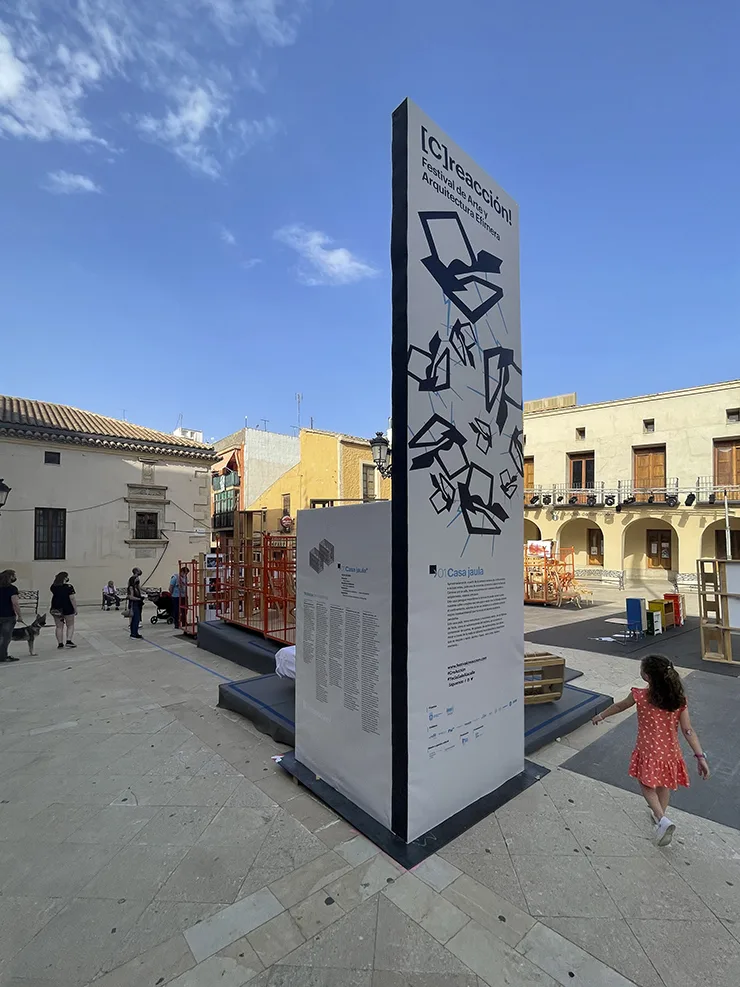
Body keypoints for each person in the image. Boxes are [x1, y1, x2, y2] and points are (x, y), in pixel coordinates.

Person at [593, 654, 709, 846]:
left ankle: (662, 819)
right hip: (671, 753)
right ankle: (660, 818)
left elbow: (620, 706)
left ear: (647, 676)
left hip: (648, 751)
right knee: (663, 784)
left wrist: (602, 715)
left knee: (646, 785)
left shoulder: (640, 695)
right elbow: (688, 730)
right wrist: (700, 756)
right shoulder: (678, 699)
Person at [0, 569, 23, 662]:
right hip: (8, 616)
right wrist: (19, 616)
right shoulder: (12, 589)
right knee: (6, 637)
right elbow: (15, 603)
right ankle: (2, 656)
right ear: (10, 577)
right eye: (14, 576)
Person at [50, 572, 77, 649]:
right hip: (68, 607)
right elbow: (72, 598)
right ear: (65, 578)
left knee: (59, 627)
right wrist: (75, 608)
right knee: (70, 625)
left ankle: (60, 643)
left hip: (56, 608)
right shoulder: (69, 587)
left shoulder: (53, 587)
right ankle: (68, 641)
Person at [127, 567, 144, 639]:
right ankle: (133, 634)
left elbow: (140, 588)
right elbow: (131, 597)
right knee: (135, 619)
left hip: (138, 603)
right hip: (134, 604)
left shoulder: (136, 587)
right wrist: (139, 599)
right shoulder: (131, 588)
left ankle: (136, 633)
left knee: (137, 619)